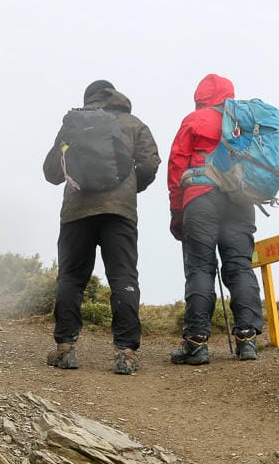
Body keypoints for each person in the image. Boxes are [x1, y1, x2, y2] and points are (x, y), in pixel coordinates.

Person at [43, 80, 161, 375]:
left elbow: (52, 172)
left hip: (76, 213)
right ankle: (126, 352)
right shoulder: (134, 124)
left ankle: (65, 348)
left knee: (71, 278)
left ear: (88, 99)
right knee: (123, 277)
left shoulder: (74, 123)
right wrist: (130, 187)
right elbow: (149, 163)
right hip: (120, 212)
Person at [167, 73, 263, 363]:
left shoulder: (195, 120)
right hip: (240, 200)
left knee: (200, 267)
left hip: (201, 199)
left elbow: (176, 167)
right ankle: (247, 340)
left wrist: (177, 211)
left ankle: (196, 343)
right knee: (240, 266)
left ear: (201, 97)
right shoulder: (245, 123)